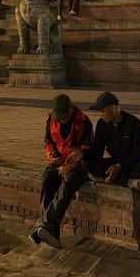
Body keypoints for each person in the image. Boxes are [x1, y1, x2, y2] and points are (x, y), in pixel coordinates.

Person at [29, 94, 93, 250]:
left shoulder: (83, 122)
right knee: (47, 180)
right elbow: (48, 142)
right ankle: (51, 232)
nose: (62, 120)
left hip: (79, 165)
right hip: (59, 162)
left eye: (64, 117)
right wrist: (54, 158)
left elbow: (85, 151)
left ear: (71, 110)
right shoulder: (51, 119)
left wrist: (68, 167)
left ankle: (44, 225)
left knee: (68, 183)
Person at [84, 91, 140, 192]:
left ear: (113, 108)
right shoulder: (102, 124)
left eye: (103, 111)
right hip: (114, 162)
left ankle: (114, 178)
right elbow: (98, 151)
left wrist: (120, 166)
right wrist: (83, 155)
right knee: (88, 164)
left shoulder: (134, 123)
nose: (101, 115)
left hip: (129, 164)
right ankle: (128, 182)